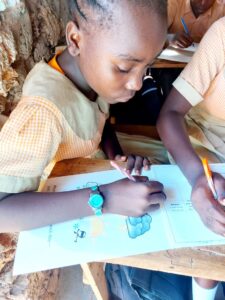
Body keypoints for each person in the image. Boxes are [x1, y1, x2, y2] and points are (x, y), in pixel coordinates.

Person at [0, 0, 167, 233]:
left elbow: (98, 117)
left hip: (93, 168)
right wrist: (105, 199)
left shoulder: (88, 71)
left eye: (147, 67)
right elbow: (3, 210)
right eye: (123, 68)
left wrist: (116, 156)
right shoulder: (43, 112)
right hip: (62, 204)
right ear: (75, 40)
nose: (137, 84)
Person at [157, 16, 225, 300]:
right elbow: (169, 115)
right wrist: (198, 177)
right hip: (203, 145)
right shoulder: (222, 34)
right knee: (215, 221)